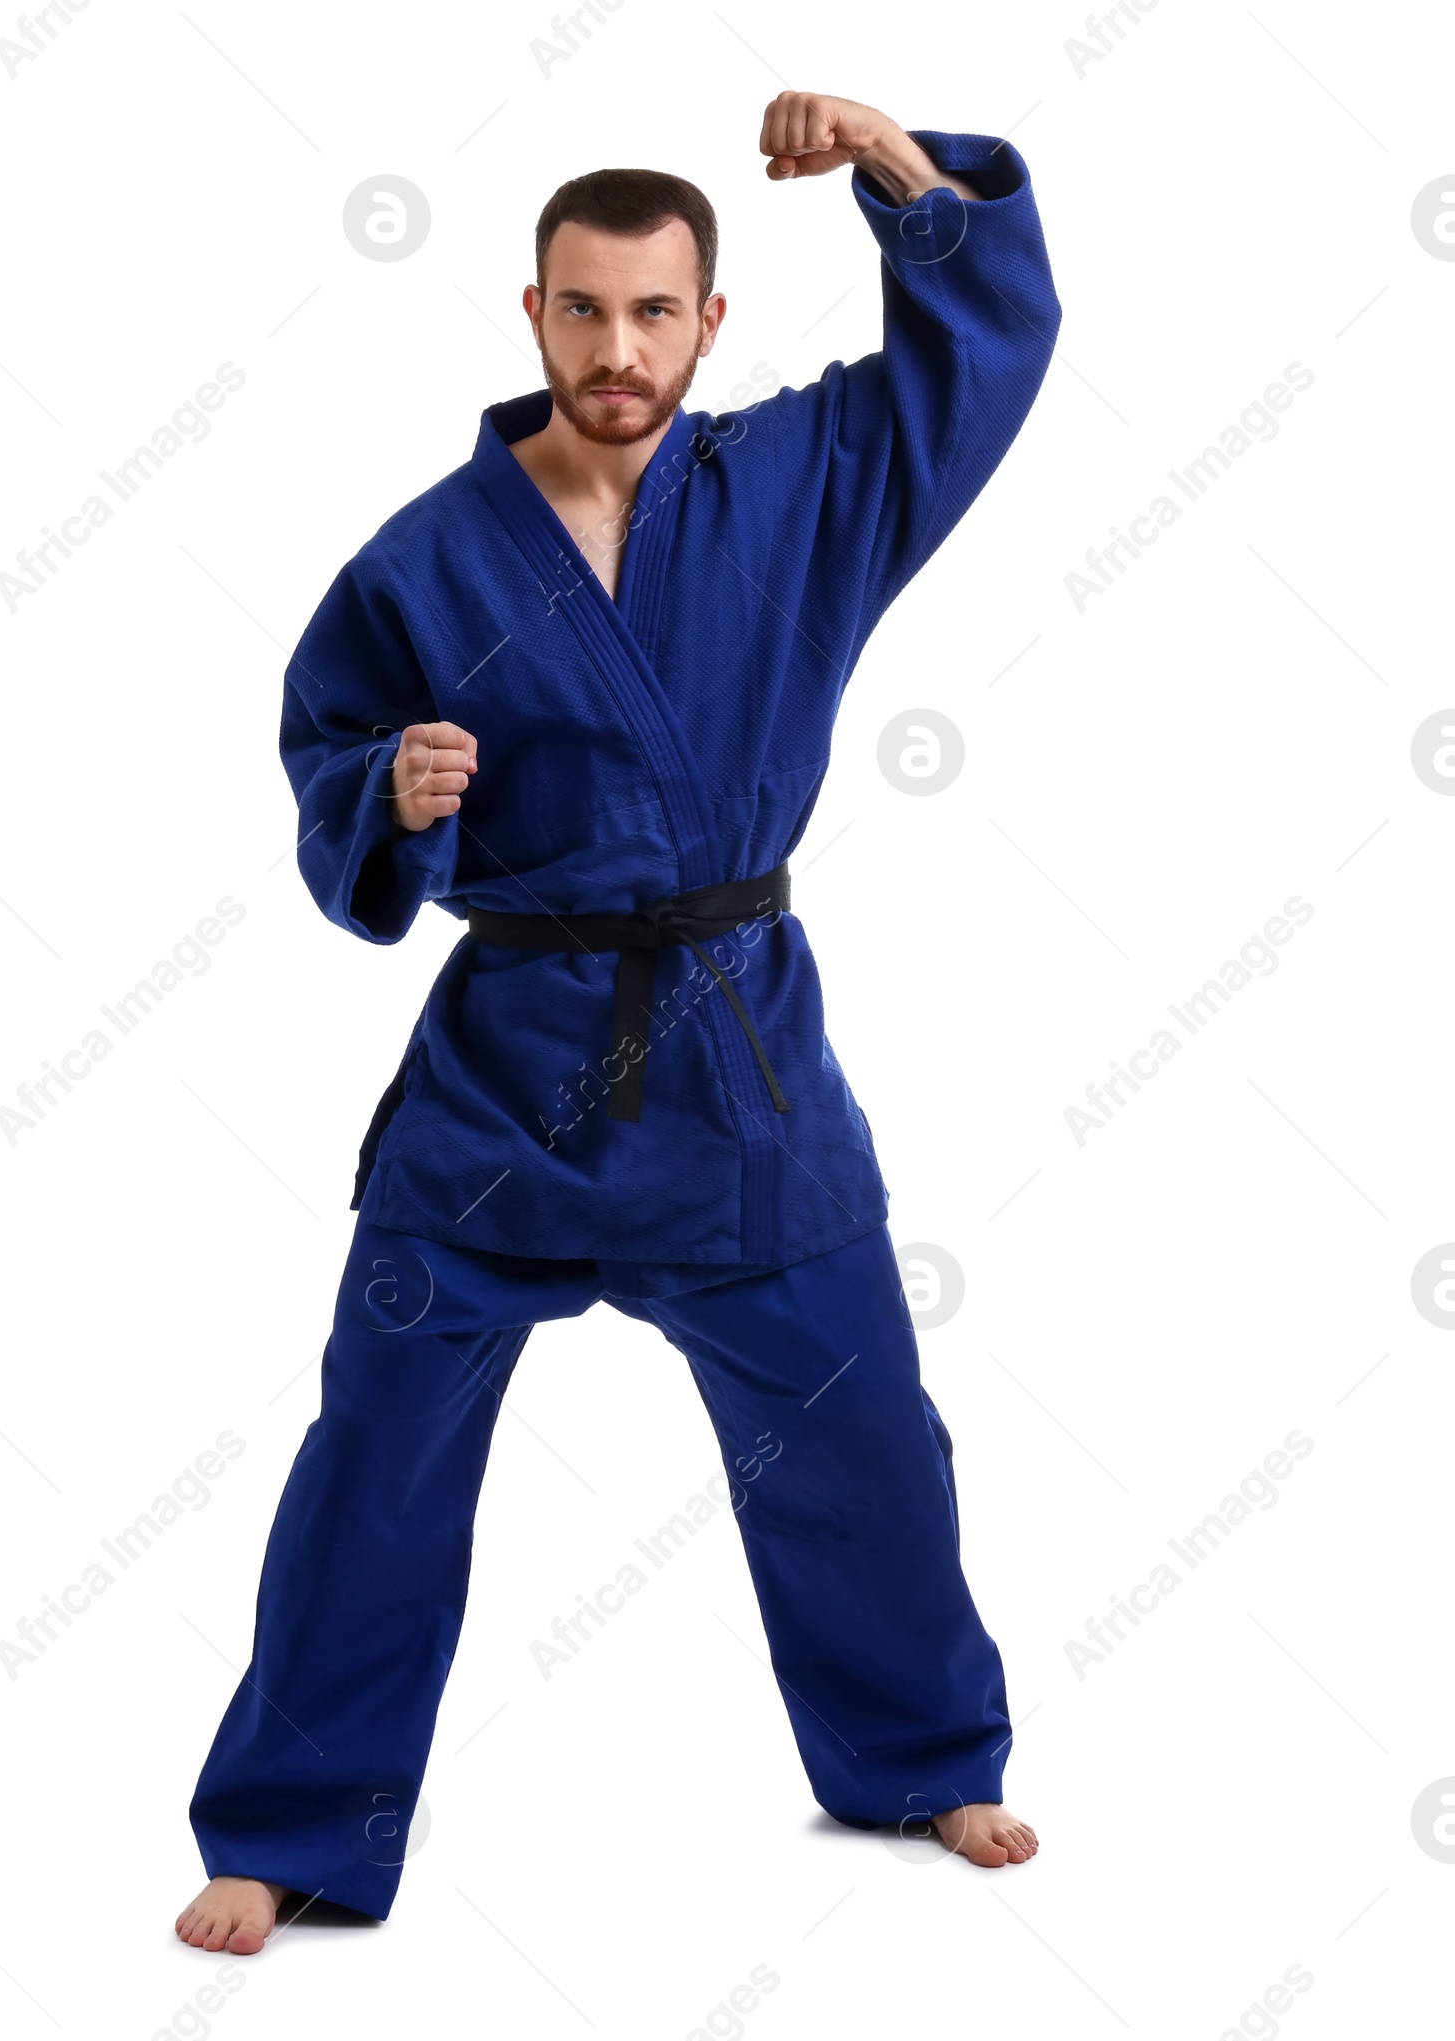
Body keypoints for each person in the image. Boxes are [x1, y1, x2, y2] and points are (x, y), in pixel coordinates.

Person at [176, 88, 1059, 1957]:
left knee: (865, 1428)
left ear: (710, 325)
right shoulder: (424, 557)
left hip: (738, 1058)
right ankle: (287, 1827)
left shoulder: (805, 490)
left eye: (655, 314)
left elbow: (990, 348)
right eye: (584, 311)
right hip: (508, 1073)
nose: (618, 350)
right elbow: (325, 749)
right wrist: (393, 798)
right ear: (532, 316)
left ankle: (918, 1753)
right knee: (378, 1448)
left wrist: (902, 171)